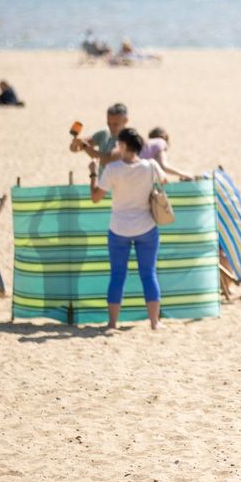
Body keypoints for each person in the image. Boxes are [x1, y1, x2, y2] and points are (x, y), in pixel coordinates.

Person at [88, 128, 165, 330]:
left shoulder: (113, 169)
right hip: (146, 226)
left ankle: (113, 323)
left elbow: (96, 197)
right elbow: (163, 181)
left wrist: (93, 174)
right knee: (149, 274)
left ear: (123, 145)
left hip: (119, 228)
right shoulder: (150, 166)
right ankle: (155, 322)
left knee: (117, 275)